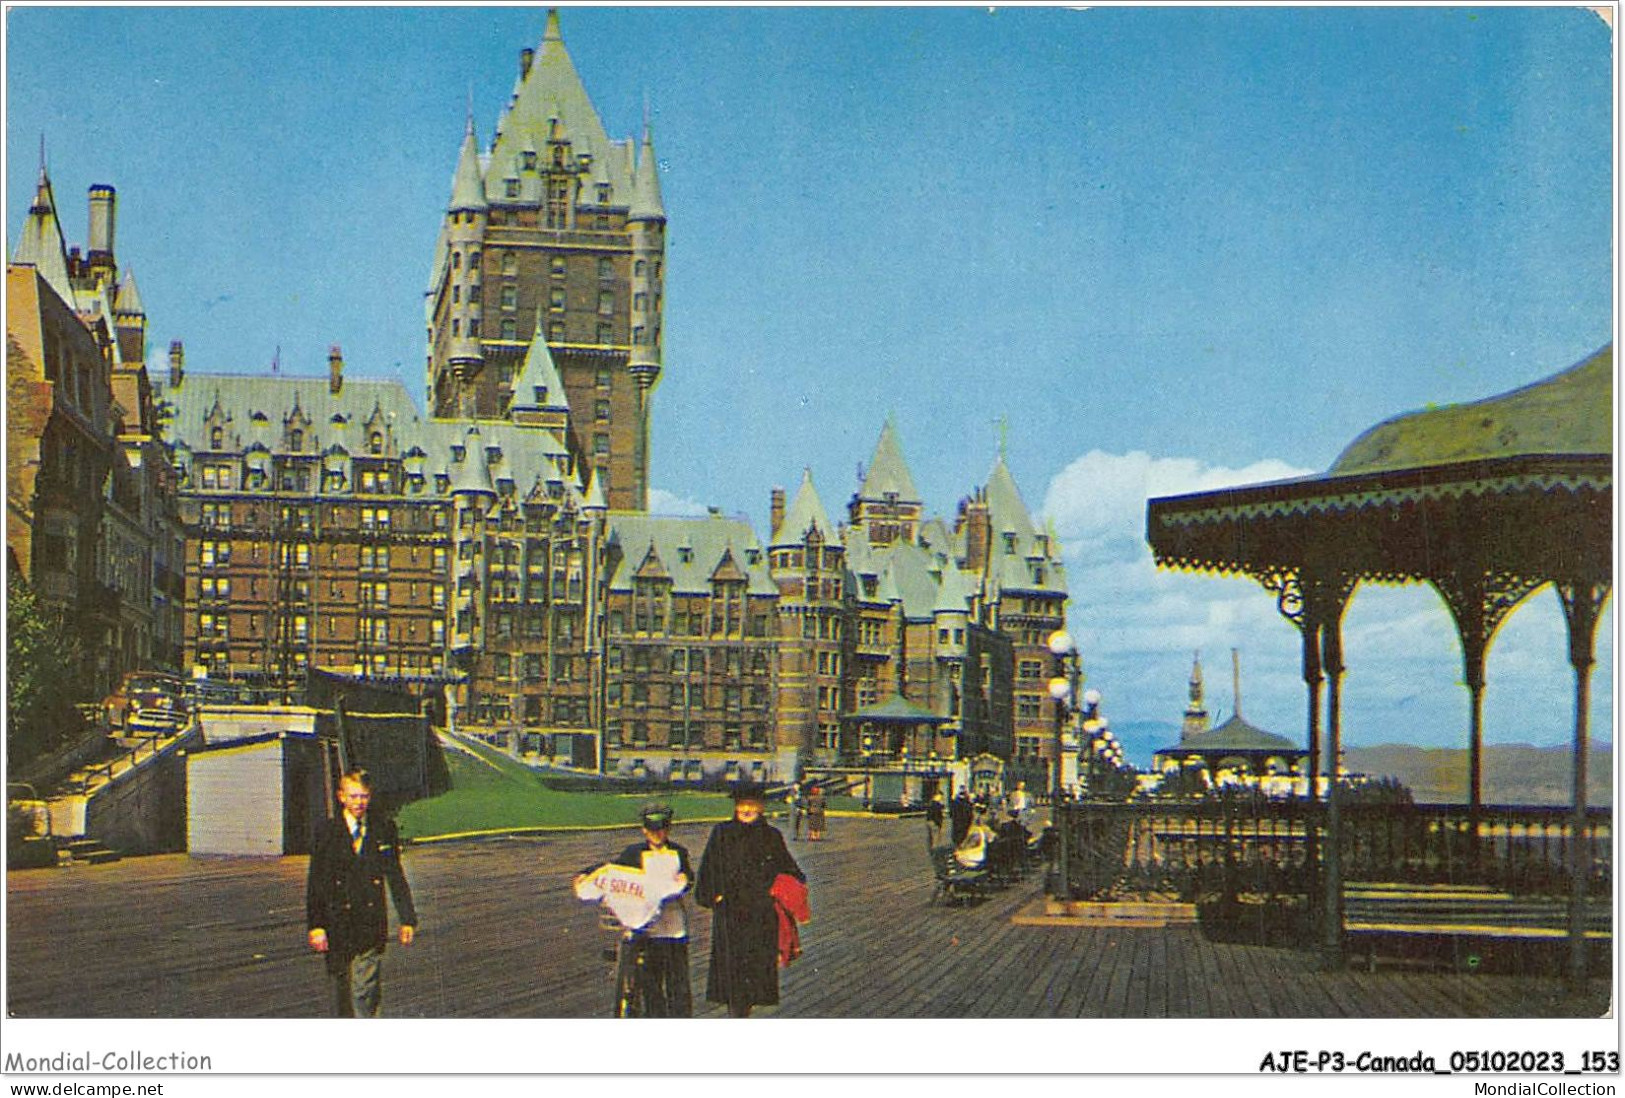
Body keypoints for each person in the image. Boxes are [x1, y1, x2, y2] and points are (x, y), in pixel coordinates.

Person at [306, 769, 417, 1018]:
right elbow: (317, 883)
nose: (359, 803)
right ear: (341, 797)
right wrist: (316, 926)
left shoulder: (383, 829)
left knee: (363, 990)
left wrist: (407, 918)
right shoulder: (327, 832)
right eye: (353, 796)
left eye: (364, 797)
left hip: (369, 923)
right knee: (341, 991)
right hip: (337, 925)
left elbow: (395, 875)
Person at [696, 782, 805, 1017]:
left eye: (752, 804)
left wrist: (781, 891)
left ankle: (744, 1013)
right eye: (742, 804)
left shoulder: (771, 836)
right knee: (731, 973)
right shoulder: (722, 832)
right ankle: (736, 1013)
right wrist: (713, 896)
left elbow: (791, 871)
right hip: (730, 913)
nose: (746, 809)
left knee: (754, 975)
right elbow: (708, 867)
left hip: (760, 915)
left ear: (761, 807)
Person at [604, 803, 694, 1017]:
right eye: (652, 830)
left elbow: (689, 878)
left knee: (678, 986)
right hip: (646, 931)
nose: (657, 834)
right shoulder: (633, 853)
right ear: (644, 830)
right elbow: (613, 872)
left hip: (673, 928)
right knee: (650, 986)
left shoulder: (678, 852)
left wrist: (686, 879)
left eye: (662, 829)